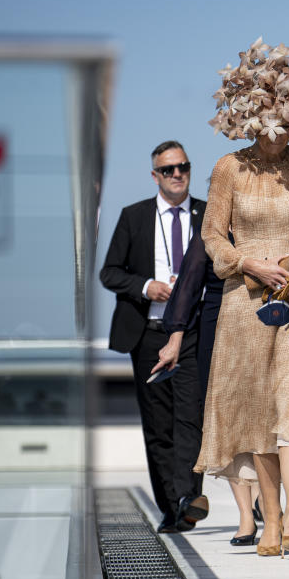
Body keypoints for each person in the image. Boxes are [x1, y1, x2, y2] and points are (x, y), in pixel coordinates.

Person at [194, 38, 289, 557]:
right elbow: (213, 235)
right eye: (265, 121)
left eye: (284, 119)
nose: (275, 130)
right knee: (260, 412)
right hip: (246, 306)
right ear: (251, 119)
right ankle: (272, 521)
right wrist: (247, 262)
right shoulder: (228, 169)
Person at [99, 141, 209, 533]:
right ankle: (170, 506)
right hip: (147, 333)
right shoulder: (134, 216)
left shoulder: (209, 215)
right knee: (158, 423)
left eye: (183, 167)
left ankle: (187, 498)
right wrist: (147, 286)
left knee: (191, 418)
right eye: (168, 169)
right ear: (155, 176)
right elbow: (109, 273)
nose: (177, 174)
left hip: (194, 332)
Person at [153, 233, 263, 545]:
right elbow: (188, 286)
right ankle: (246, 516)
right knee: (226, 418)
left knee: (264, 415)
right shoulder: (211, 229)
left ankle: (265, 499)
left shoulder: (269, 212)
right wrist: (175, 338)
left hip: (266, 320)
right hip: (219, 325)